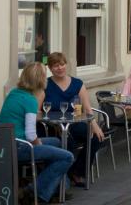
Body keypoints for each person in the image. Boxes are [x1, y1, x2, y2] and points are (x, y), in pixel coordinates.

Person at [0, 62, 73, 204]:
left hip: (5, 143)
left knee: (57, 142)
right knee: (67, 157)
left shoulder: (14, 93)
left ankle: (59, 187)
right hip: (20, 146)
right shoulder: (31, 100)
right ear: (40, 80)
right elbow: (31, 135)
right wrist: (38, 145)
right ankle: (34, 191)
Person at [45, 52, 106, 187]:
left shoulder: (77, 84)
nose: (60, 68)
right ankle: (60, 177)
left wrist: (94, 125)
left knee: (96, 137)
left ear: (66, 65)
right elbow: (38, 110)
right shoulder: (45, 85)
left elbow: (87, 108)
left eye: (62, 64)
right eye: (55, 66)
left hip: (73, 123)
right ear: (50, 68)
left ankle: (77, 172)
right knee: (68, 142)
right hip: (53, 126)